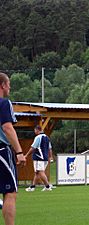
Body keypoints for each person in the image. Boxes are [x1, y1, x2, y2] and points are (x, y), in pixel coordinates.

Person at [0, 72, 26, 225]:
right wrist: (19, 152)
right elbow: (7, 128)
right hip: (2, 151)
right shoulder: (4, 103)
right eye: (8, 84)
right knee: (10, 192)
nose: (10, 87)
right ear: (3, 85)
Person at [25, 125, 53, 192]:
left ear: (37, 130)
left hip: (39, 157)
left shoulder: (38, 137)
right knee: (37, 172)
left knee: (40, 172)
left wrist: (26, 155)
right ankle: (32, 187)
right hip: (45, 158)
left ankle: (47, 186)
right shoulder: (47, 137)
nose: (34, 132)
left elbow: (33, 147)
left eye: (35, 130)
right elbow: (50, 148)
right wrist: (50, 156)